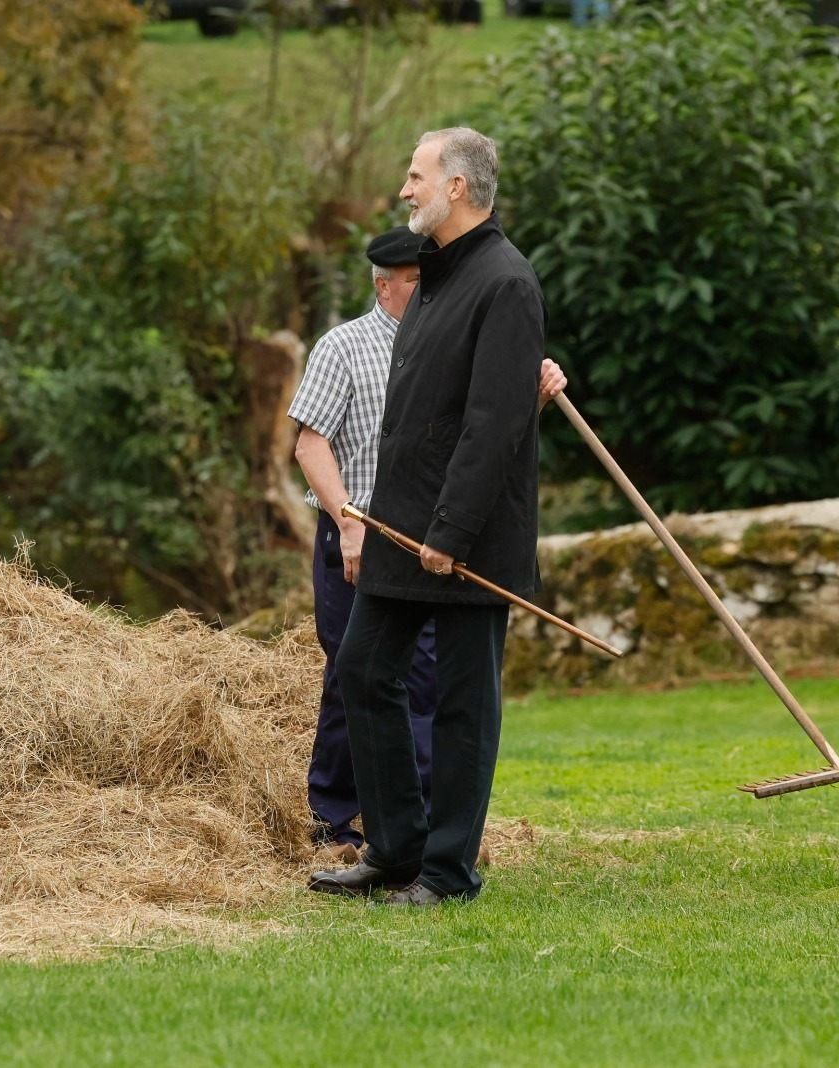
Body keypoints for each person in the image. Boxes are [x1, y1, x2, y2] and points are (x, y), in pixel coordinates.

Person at [308, 127, 546, 906]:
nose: (404, 189)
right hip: (397, 528)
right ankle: (398, 849)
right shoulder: (441, 277)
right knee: (365, 669)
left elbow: (492, 426)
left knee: (463, 702)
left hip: (462, 536)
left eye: (416, 176)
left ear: (456, 188)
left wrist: (450, 533)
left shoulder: (504, 282)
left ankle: (447, 873)